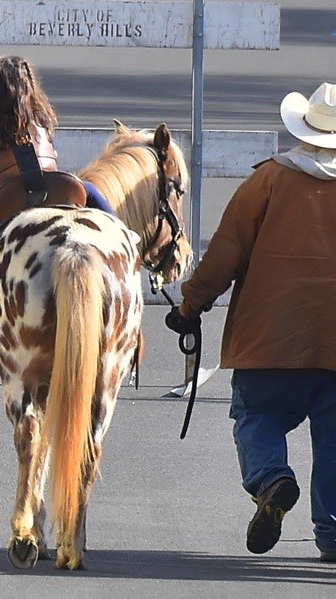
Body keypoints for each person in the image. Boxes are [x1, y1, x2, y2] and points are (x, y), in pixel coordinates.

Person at [167, 82, 336, 562]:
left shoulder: (268, 181)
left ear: (302, 130)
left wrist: (190, 306)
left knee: (256, 415)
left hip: (270, 339)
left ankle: (272, 479)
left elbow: (226, 253)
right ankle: (333, 533)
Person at [0, 55, 116, 413]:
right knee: (96, 200)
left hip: (11, 200)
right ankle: (126, 241)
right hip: (58, 189)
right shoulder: (45, 117)